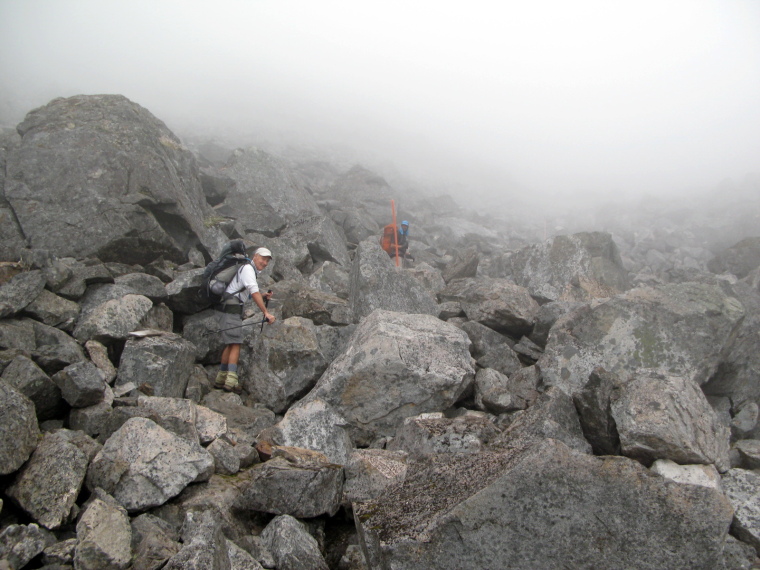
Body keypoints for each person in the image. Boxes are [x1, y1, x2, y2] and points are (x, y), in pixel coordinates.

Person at [214, 242, 275, 394]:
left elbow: (244, 292)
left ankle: (221, 378)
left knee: (230, 343)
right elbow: (253, 292)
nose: (265, 263)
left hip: (227, 306)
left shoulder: (248, 269)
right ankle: (231, 381)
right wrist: (266, 313)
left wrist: (263, 295)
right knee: (235, 343)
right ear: (255, 256)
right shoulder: (248, 269)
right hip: (231, 308)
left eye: (267, 261)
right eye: (263, 259)